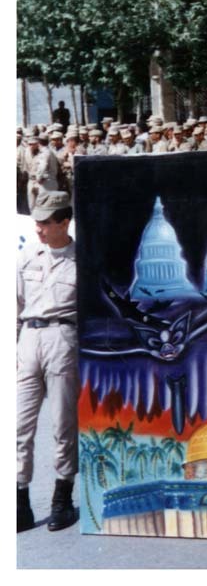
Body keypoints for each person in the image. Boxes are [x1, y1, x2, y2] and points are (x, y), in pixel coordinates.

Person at [17, 191, 79, 533]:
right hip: (28, 338)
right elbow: (14, 304)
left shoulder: (80, 260)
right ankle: (19, 503)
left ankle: (62, 499)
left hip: (62, 337)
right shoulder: (27, 256)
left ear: (64, 223)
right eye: (36, 222)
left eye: (45, 223)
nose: (38, 228)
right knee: (18, 426)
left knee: (62, 425)